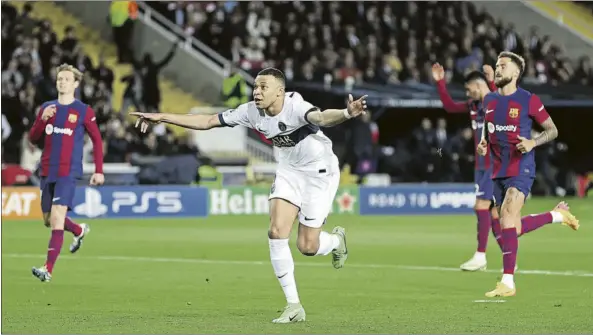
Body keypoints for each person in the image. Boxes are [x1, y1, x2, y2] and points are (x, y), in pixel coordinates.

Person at [131, 67, 368, 323]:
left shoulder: (296, 106)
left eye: (263, 87)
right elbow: (208, 121)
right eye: (255, 86)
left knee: (307, 246)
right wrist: (162, 117)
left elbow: (320, 118)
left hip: (320, 172)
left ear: (280, 91)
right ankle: (293, 305)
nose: (256, 92)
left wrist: (346, 113)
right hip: (289, 171)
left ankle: (335, 242)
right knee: (276, 231)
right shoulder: (250, 112)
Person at [432, 63, 578, 272]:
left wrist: (492, 81)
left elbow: (501, 97)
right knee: (504, 222)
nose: (467, 93)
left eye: (468, 89)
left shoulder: (494, 103)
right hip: (481, 165)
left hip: (495, 163)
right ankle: (553, 218)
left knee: (481, 206)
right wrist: (439, 82)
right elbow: (449, 106)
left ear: (478, 85)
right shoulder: (474, 106)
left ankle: (480, 256)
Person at [477, 52, 579, 297]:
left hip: (521, 167)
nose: (498, 69)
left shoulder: (528, 100)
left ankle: (508, 282)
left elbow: (552, 130)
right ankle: (556, 215)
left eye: (503, 66)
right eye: (498, 65)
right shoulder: (489, 100)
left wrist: (533, 142)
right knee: (512, 225)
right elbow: (487, 126)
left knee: (508, 213)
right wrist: (483, 143)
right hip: (498, 170)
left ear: (515, 73)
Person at [28, 64, 105, 282]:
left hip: (68, 172)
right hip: (47, 170)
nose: (62, 82)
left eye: (67, 79)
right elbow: (33, 138)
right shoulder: (47, 108)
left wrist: (99, 170)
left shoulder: (83, 111)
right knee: (48, 219)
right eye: (59, 79)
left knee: (56, 217)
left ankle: (47, 269)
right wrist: (42, 120)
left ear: (75, 84)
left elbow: (97, 141)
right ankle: (79, 230)